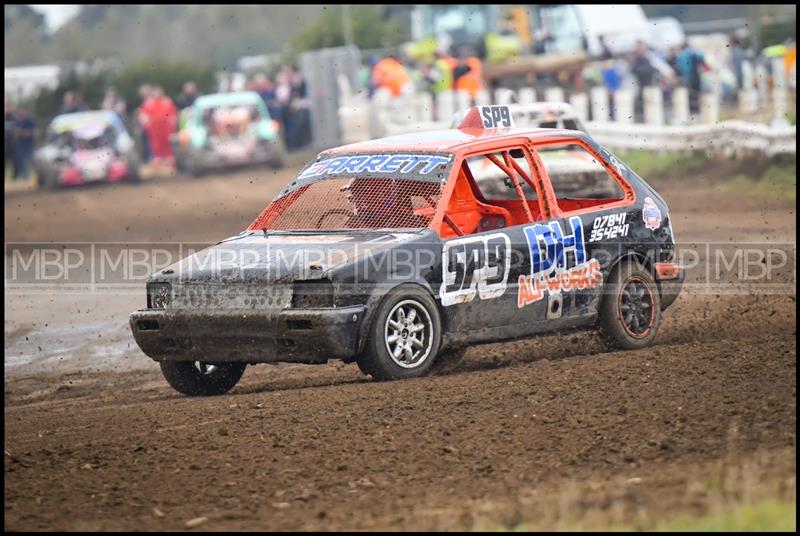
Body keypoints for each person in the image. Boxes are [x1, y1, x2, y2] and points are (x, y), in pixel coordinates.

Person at [138, 86, 178, 171]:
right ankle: (157, 167)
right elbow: (143, 115)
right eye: (155, 93)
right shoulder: (148, 103)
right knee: (155, 147)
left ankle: (170, 166)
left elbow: (173, 114)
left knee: (168, 146)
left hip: (166, 129)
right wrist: (146, 124)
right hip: (154, 129)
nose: (157, 95)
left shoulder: (167, 102)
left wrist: (172, 125)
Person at [12, 106, 35, 181]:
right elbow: (15, 133)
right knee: (21, 161)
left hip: (28, 144)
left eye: (22, 111)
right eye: (19, 111)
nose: (20, 113)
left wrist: (22, 132)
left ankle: (36, 175)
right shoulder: (17, 121)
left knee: (32, 159)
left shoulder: (29, 120)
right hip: (20, 145)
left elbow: (30, 132)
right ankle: (24, 177)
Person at [5, 101, 15, 177]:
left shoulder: (14, 118)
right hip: (5, 144)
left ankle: (16, 177)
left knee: (15, 162)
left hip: (13, 144)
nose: (7, 109)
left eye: (9, 108)